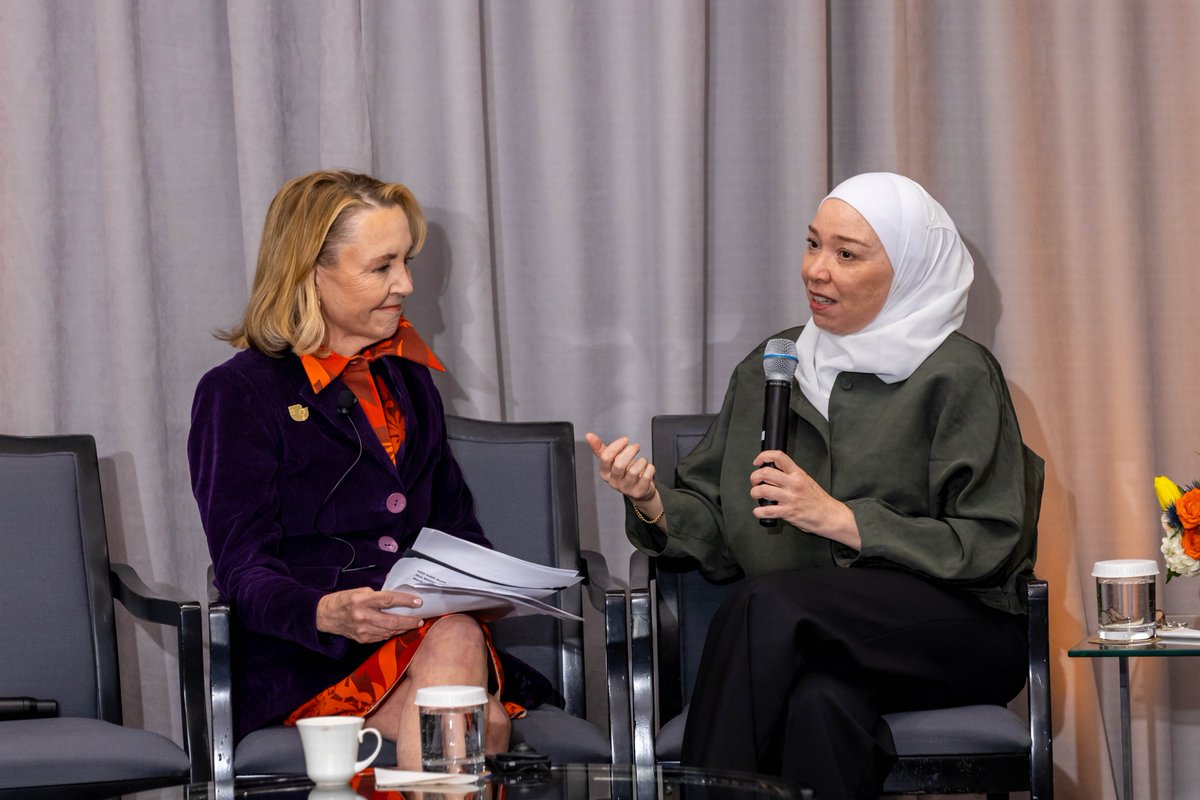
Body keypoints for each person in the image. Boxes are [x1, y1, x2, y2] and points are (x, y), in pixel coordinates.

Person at [587, 172, 1041, 800]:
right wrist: (651, 500)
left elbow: (992, 537)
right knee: (819, 708)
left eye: (846, 254)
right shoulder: (771, 366)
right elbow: (720, 529)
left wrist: (841, 519)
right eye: (812, 245)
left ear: (907, 270)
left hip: (958, 631)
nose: (816, 271)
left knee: (768, 604)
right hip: (823, 646)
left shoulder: (957, 372)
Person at [188, 170, 520, 768]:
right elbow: (242, 567)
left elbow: (455, 530)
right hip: (308, 656)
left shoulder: (410, 381)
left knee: (459, 645)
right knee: (483, 724)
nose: (407, 284)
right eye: (382, 266)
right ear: (308, 273)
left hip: (423, 640)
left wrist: (490, 586)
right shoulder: (237, 392)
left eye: (406, 261)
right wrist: (324, 611)